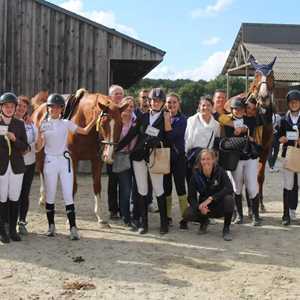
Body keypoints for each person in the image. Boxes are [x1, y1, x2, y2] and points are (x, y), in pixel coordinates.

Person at [36, 94, 97, 240]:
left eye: (57, 107)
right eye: (52, 107)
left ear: (62, 109)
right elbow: (38, 147)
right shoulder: (43, 125)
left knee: (68, 194)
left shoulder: (66, 123)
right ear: (48, 108)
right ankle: (51, 226)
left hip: (64, 161)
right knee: (50, 194)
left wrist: (94, 119)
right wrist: (39, 137)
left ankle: (73, 228)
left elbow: (84, 131)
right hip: (50, 160)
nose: (55, 109)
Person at [116, 87, 169, 234]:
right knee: (142, 190)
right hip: (139, 156)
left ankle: (164, 224)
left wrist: (157, 139)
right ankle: (144, 224)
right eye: (153, 100)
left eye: (159, 101)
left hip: (155, 155)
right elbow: (132, 134)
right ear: (150, 102)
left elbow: (168, 138)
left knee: (159, 189)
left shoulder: (165, 117)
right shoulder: (143, 117)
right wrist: (117, 147)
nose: (156, 103)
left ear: (163, 102)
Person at [218, 96, 262, 226]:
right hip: (234, 159)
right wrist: (234, 124)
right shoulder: (226, 120)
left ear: (244, 110)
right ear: (231, 110)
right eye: (235, 109)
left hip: (249, 157)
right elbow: (219, 116)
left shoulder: (250, 120)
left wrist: (245, 129)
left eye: (240, 109)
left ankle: (255, 215)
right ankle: (239, 215)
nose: (238, 111)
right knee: (236, 187)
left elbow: (260, 119)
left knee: (252, 186)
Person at [182, 149, 234, 241]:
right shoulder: (196, 175)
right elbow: (191, 197)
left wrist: (212, 198)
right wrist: (199, 207)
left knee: (229, 199)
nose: (206, 161)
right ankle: (204, 222)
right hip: (204, 207)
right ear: (200, 161)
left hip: (218, 205)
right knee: (187, 214)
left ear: (213, 160)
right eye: (203, 159)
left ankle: (226, 228)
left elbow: (229, 188)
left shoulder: (220, 171)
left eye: (208, 159)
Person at [0, 92, 28, 243]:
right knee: (2, 198)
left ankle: (12, 230)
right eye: (6, 106)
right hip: (1, 167)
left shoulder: (19, 124)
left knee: (14, 198)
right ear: (1, 108)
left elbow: (25, 147)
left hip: (17, 167)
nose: (9, 109)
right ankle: (2, 231)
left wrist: (15, 139)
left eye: (12, 106)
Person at [163, 93, 189, 229]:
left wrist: (166, 122)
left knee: (180, 188)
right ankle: (167, 217)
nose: (171, 105)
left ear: (179, 103)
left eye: (174, 102)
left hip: (178, 158)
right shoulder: (161, 118)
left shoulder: (183, 120)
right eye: (168, 102)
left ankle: (184, 217)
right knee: (166, 188)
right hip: (164, 158)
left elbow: (171, 137)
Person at [15, 96, 38, 235]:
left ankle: (22, 221)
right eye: (19, 106)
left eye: (24, 107)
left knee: (24, 193)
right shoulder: (8, 122)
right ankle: (8, 221)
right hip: (13, 164)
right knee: (12, 194)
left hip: (29, 163)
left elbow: (37, 142)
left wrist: (29, 148)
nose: (21, 108)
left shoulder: (31, 125)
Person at [185, 95, 220, 185]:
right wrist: (186, 155)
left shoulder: (216, 124)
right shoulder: (192, 120)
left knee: (206, 184)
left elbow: (216, 141)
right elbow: (188, 139)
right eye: (203, 105)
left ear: (212, 107)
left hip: (208, 159)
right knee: (192, 183)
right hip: (194, 157)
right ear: (199, 107)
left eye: (208, 105)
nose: (206, 107)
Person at [112, 96, 137, 227]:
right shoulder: (116, 122)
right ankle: (126, 217)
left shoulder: (137, 122)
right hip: (121, 157)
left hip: (136, 158)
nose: (129, 109)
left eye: (131, 106)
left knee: (137, 189)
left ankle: (135, 214)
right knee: (125, 189)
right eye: (126, 106)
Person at [279, 90, 300, 225]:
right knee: (288, 185)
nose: (294, 104)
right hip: (288, 154)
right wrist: (281, 138)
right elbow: (277, 136)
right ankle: (285, 214)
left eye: (296, 102)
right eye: (291, 102)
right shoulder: (282, 119)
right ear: (288, 103)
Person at [107, 85, 124, 219]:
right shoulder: (107, 111)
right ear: (110, 96)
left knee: (125, 182)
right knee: (113, 181)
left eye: (120, 94)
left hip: (126, 152)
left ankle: (124, 208)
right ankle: (113, 209)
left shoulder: (127, 110)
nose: (119, 96)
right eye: (116, 94)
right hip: (112, 150)